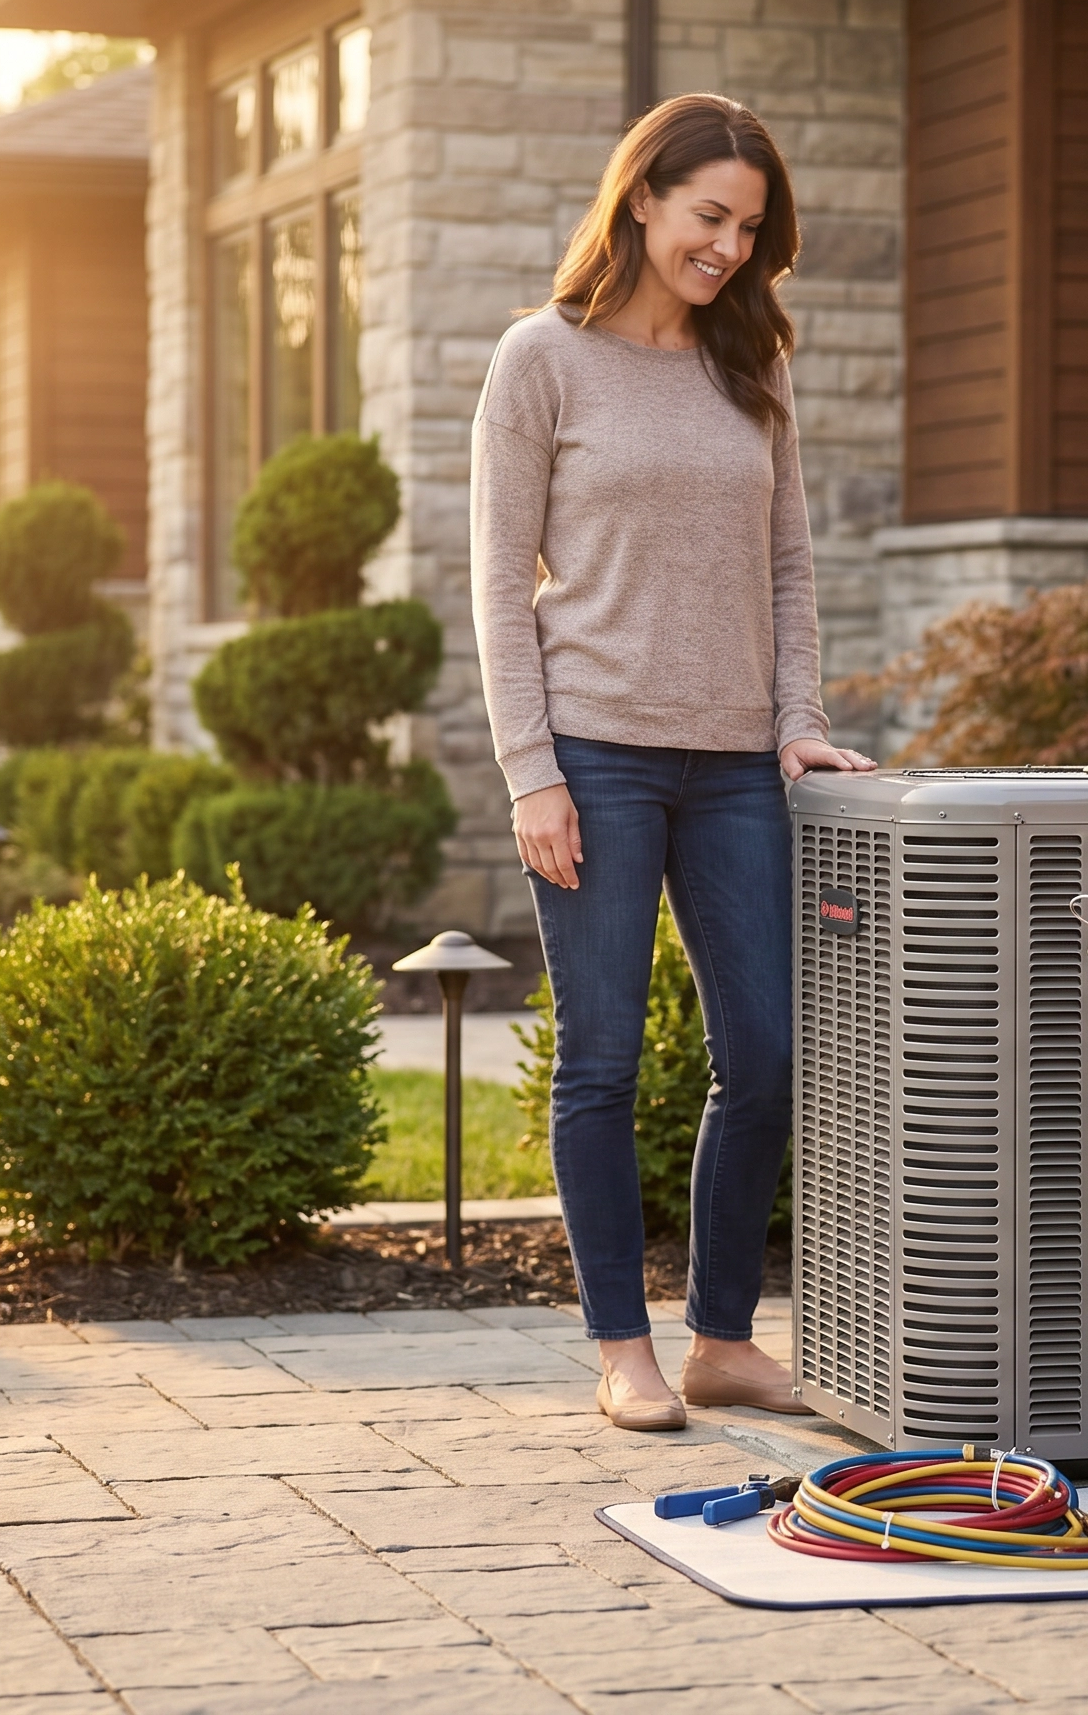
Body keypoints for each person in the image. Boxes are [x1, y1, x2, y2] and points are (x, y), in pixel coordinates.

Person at [469, 93, 875, 1433]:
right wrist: (532, 769)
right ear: (640, 199)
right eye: (709, 217)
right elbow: (494, 579)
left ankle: (718, 1336)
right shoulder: (542, 359)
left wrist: (796, 714)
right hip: (595, 755)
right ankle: (621, 1347)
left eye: (750, 229)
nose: (727, 248)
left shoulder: (749, 364)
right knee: (600, 1062)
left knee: (765, 1055)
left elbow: (791, 563)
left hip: (738, 769)